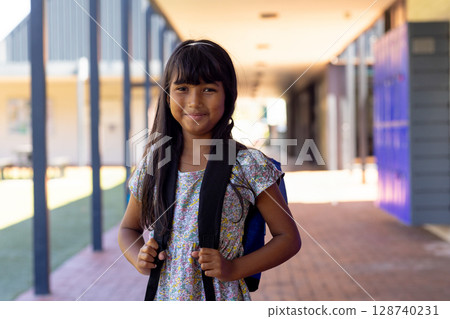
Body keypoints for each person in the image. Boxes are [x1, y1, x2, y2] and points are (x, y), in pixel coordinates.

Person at [118, 39, 301, 301]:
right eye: (182, 88)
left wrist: (234, 268)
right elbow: (128, 229)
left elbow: (288, 238)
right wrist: (138, 257)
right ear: (167, 94)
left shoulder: (248, 165)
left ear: (228, 96)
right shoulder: (154, 164)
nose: (194, 102)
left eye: (208, 90)